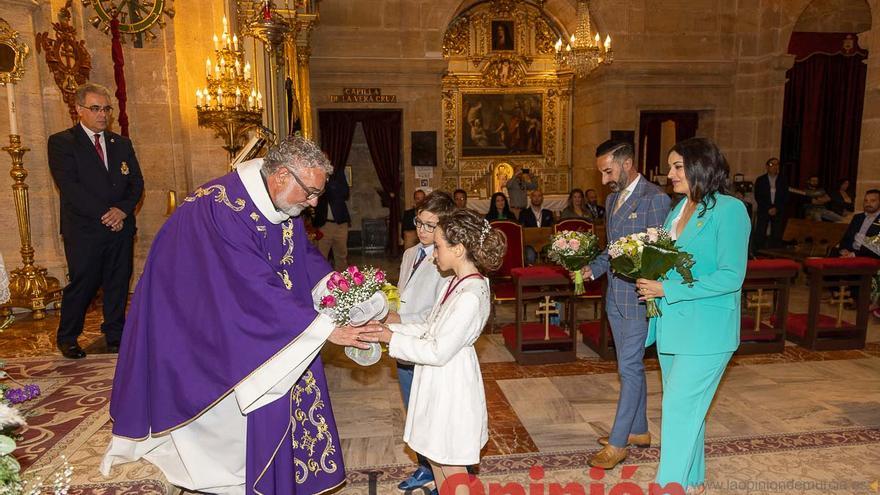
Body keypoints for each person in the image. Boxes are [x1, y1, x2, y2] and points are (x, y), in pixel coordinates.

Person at [100, 136, 375, 495]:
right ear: (279, 176)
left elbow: (302, 257)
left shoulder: (279, 203)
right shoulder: (222, 210)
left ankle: (248, 461)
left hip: (232, 305)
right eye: (309, 192)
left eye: (317, 194)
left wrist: (340, 289)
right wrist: (324, 328)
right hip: (192, 317)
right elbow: (252, 286)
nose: (313, 203)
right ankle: (218, 467)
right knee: (218, 395)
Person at [361, 209, 506, 495]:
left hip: (452, 381)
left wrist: (392, 338)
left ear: (459, 249)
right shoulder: (456, 282)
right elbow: (431, 325)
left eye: (438, 247)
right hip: (439, 377)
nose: (433, 254)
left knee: (450, 461)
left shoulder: (470, 296)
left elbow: (439, 350)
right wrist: (387, 331)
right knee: (437, 456)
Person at [636, 137, 750, 495]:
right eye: (670, 167)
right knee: (687, 408)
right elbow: (672, 259)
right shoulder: (680, 208)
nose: (669, 174)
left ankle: (667, 487)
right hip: (673, 325)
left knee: (679, 410)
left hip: (707, 330)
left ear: (701, 167)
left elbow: (732, 275)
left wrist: (668, 289)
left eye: (677, 167)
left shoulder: (729, 209)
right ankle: (692, 480)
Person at [579, 139, 670, 470]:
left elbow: (660, 254)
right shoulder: (614, 198)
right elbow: (613, 248)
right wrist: (594, 267)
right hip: (614, 296)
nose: (604, 180)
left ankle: (618, 443)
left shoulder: (656, 200)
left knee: (628, 368)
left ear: (627, 163)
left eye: (608, 171)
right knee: (631, 365)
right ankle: (640, 430)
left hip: (638, 299)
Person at [47, 82, 144, 359]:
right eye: (96, 108)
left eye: (106, 108)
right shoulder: (62, 142)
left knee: (118, 281)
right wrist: (107, 214)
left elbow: (136, 183)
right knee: (84, 283)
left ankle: (115, 334)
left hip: (121, 226)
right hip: (85, 229)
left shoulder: (121, 144)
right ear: (79, 110)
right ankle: (68, 337)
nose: (103, 114)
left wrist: (122, 211)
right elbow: (70, 187)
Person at [383, 191, 456, 491]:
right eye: (419, 223)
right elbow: (403, 297)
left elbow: (438, 316)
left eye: (430, 225)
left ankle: (446, 474)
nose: (423, 231)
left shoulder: (448, 262)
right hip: (403, 346)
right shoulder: (410, 253)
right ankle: (425, 467)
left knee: (435, 415)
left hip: (428, 348)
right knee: (414, 412)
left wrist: (399, 322)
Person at [313, 157, 351, 271]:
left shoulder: (337, 174)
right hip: (324, 224)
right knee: (321, 257)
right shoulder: (314, 176)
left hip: (340, 223)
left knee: (341, 256)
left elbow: (345, 193)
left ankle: (342, 283)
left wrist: (329, 182)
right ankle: (323, 285)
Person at [753, 157, 788, 250]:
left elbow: (785, 197)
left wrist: (776, 208)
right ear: (767, 167)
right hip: (764, 209)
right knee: (760, 231)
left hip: (777, 209)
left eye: (777, 164)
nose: (775, 167)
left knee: (777, 233)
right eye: (772, 165)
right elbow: (758, 196)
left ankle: (774, 252)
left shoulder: (783, 180)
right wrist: (768, 208)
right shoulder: (760, 180)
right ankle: (759, 251)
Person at [837, 189, 880, 258]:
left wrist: (854, 254)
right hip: (849, 254)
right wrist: (843, 249)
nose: (868, 204)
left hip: (869, 257)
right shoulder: (858, 217)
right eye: (866, 201)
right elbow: (846, 238)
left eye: (873, 201)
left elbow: (877, 246)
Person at [519, 190, 554, 265]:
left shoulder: (548, 213)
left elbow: (553, 229)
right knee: (530, 255)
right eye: (534, 196)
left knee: (552, 253)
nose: (537, 198)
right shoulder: (524, 213)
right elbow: (520, 230)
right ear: (531, 198)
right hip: (529, 244)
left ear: (542, 198)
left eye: (539, 196)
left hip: (545, 243)